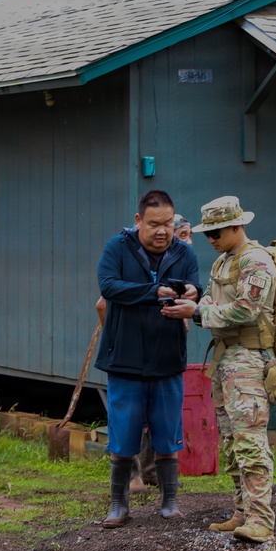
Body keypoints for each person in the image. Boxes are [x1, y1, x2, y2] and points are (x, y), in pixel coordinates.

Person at [161, 195, 276, 544]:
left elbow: (246, 310)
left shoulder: (256, 261)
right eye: (207, 234)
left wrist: (196, 313)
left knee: (250, 440)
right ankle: (242, 511)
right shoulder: (222, 263)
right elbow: (212, 299)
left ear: (237, 226)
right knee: (230, 439)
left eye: (217, 232)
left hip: (249, 357)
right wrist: (198, 305)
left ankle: (261, 519)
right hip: (226, 358)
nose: (210, 239)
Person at [94, 189, 201, 528]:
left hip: (168, 358)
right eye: (154, 224)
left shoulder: (184, 253)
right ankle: (118, 505)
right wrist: (153, 292)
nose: (162, 231)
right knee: (123, 434)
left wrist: (192, 294)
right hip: (124, 358)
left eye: (168, 224)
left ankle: (170, 503)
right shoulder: (117, 248)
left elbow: (196, 287)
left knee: (168, 433)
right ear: (138, 220)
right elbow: (109, 286)